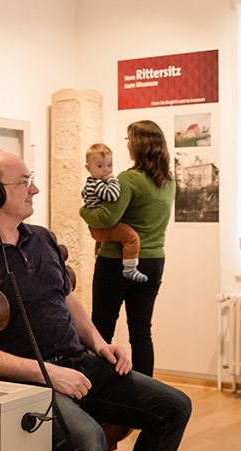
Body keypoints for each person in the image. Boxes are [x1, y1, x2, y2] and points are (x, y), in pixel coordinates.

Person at [0, 149, 190, 451]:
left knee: (175, 407)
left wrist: (100, 344)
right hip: (28, 380)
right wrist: (50, 375)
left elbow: (67, 300)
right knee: (87, 440)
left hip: (79, 363)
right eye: (24, 183)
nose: (35, 189)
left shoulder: (42, 238)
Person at [80, 121, 176, 377]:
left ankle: (99, 389)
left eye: (129, 139)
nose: (127, 145)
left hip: (116, 261)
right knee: (141, 332)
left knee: (101, 328)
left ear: (139, 144)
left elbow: (105, 218)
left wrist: (83, 211)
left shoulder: (128, 179)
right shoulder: (168, 181)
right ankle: (146, 392)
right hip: (153, 261)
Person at [82, 143, 148, 282]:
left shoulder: (91, 182)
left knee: (102, 243)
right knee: (132, 238)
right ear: (88, 168)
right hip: (103, 227)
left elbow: (84, 195)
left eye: (109, 165)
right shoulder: (97, 184)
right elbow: (112, 195)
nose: (106, 170)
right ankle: (130, 269)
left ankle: (98, 257)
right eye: (100, 166)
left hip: (97, 227)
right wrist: (112, 179)